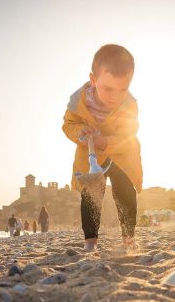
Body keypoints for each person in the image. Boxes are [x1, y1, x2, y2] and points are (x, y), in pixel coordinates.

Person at [62, 44, 143, 251]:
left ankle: (129, 238)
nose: (115, 96)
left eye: (123, 89)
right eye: (107, 89)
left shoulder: (129, 104)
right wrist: (81, 133)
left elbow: (129, 131)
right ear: (93, 80)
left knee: (125, 191)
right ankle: (90, 241)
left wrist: (106, 142)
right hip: (90, 156)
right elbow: (68, 125)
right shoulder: (78, 103)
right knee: (91, 194)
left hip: (122, 155)